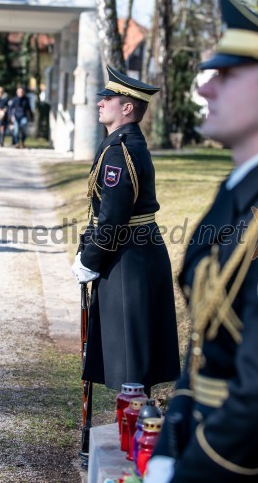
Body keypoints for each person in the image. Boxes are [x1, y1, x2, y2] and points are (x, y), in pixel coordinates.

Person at [146, 0, 258, 483]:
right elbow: (207, 343)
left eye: (226, 76)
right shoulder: (248, 192)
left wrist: (192, 472)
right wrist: (172, 440)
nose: (206, 90)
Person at [72, 65, 180, 395]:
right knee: (131, 362)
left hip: (128, 259)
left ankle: (136, 443)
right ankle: (133, 438)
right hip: (133, 254)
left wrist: (90, 260)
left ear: (128, 108)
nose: (101, 101)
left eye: (109, 97)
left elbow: (113, 219)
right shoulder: (121, 145)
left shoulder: (121, 151)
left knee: (132, 366)